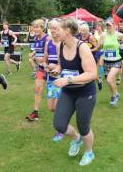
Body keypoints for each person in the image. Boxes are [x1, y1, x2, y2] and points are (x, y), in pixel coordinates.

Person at [52, 18, 97, 166]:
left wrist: (68, 80)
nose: (54, 32)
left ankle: (89, 152)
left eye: (57, 29)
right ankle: (76, 138)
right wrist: (56, 70)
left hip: (85, 92)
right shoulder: (61, 46)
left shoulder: (82, 47)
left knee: (84, 127)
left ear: (67, 31)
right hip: (68, 92)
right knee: (59, 125)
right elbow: (61, 65)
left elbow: (92, 74)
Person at [25, 19, 51, 121]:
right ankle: (35, 112)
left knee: (54, 93)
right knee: (37, 89)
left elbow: (52, 53)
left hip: (50, 69)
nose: (35, 29)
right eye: (34, 27)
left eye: (37, 27)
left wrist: (40, 59)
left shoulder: (48, 38)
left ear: (42, 27)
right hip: (41, 68)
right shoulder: (36, 38)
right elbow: (37, 49)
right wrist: (33, 53)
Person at [42, 19, 63, 141]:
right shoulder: (48, 43)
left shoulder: (63, 43)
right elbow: (45, 59)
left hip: (62, 79)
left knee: (57, 106)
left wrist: (56, 67)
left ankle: (59, 130)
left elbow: (66, 63)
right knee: (51, 108)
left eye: (55, 28)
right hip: (51, 79)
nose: (53, 31)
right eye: (51, 28)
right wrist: (45, 65)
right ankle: (61, 121)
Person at [100, 21, 123, 106]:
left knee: (109, 79)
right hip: (106, 61)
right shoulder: (103, 35)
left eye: (110, 26)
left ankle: (114, 96)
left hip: (116, 60)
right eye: (107, 26)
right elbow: (101, 47)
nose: (108, 27)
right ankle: (115, 94)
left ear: (114, 26)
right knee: (111, 81)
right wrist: (101, 57)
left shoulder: (119, 35)